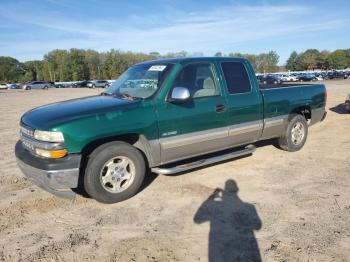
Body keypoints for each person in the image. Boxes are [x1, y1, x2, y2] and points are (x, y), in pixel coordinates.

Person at [194, 179, 262, 262]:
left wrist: (211, 198)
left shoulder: (215, 207)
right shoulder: (249, 207)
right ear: (237, 190)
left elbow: (197, 219)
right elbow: (257, 226)